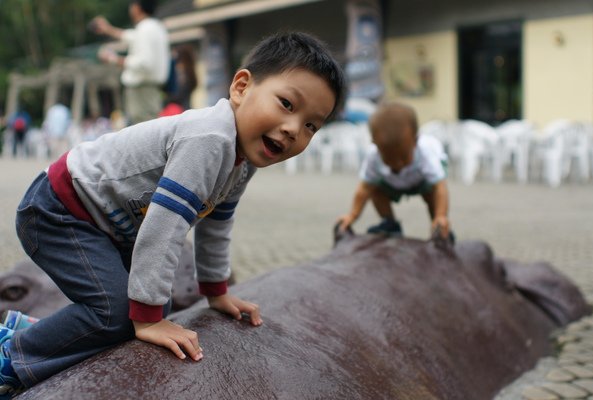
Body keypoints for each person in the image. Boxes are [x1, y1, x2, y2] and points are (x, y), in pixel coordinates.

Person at [0, 31, 346, 397]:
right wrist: (147, 320)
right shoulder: (209, 139)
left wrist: (216, 291)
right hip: (59, 209)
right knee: (121, 312)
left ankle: (27, 331)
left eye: (311, 125)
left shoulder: (241, 160)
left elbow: (217, 222)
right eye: (287, 104)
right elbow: (166, 225)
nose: (294, 129)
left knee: (152, 300)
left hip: (102, 222)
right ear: (241, 87)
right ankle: (12, 356)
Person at [336, 101, 453, 241]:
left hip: (422, 181)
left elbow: (439, 187)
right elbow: (364, 189)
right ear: (375, 144)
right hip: (392, 181)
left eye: (403, 157)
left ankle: (439, 227)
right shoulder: (373, 156)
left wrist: (441, 215)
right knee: (375, 189)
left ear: (415, 141)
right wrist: (352, 216)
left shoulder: (425, 152)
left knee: (432, 195)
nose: (398, 164)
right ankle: (390, 223)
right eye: (389, 159)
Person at [92, 0, 170, 125]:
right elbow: (131, 37)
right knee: (150, 127)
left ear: (137, 8)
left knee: (143, 131)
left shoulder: (145, 29)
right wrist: (108, 29)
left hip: (141, 89)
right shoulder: (155, 27)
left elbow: (144, 63)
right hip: (150, 89)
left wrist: (113, 59)